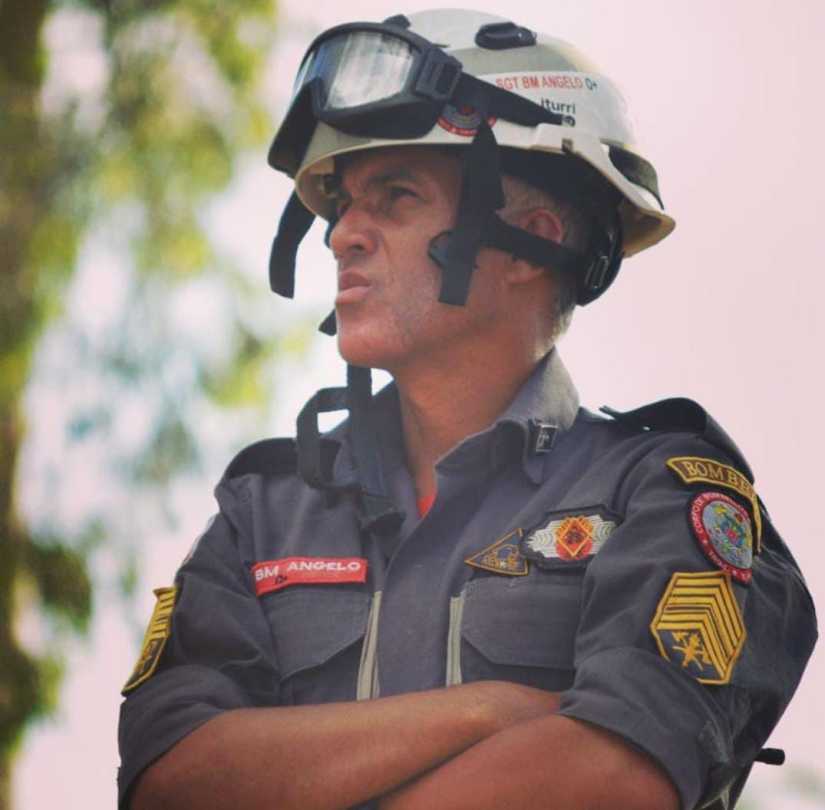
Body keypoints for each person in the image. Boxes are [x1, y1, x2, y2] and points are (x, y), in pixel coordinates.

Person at [117, 9, 817, 810]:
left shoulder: (663, 494)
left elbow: (617, 775)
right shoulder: (263, 513)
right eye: (342, 203)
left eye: (395, 196)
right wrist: (490, 709)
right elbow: (170, 780)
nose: (342, 235)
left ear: (528, 243)